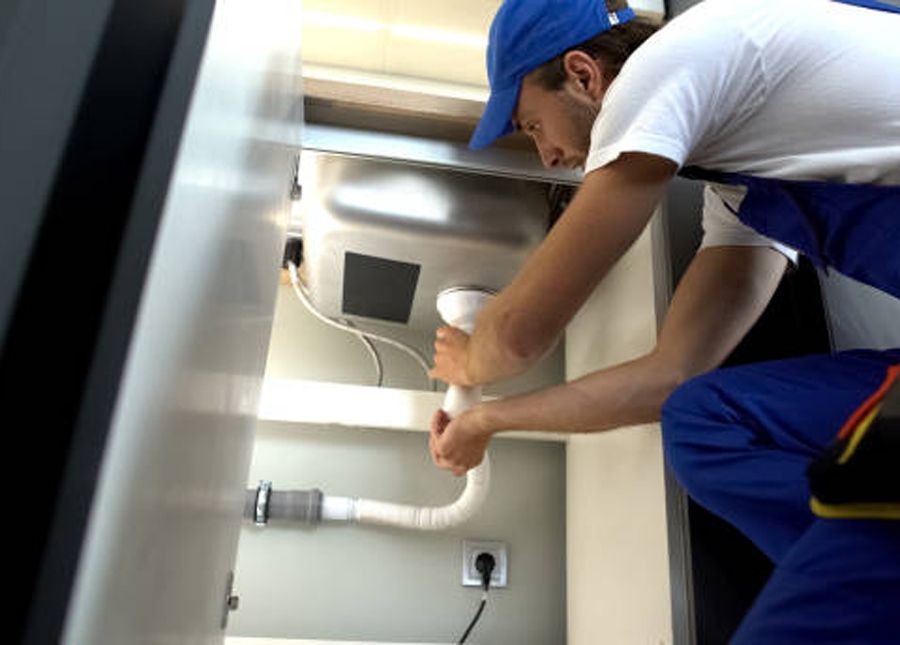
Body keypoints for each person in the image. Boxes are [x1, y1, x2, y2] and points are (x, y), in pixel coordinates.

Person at [426, 0, 900, 641]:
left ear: (584, 74)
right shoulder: (740, 189)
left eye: (533, 125)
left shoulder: (677, 58)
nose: (548, 156)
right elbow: (669, 376)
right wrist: (485, 419)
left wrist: (469, 358)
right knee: (702, 421)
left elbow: (515, 337)